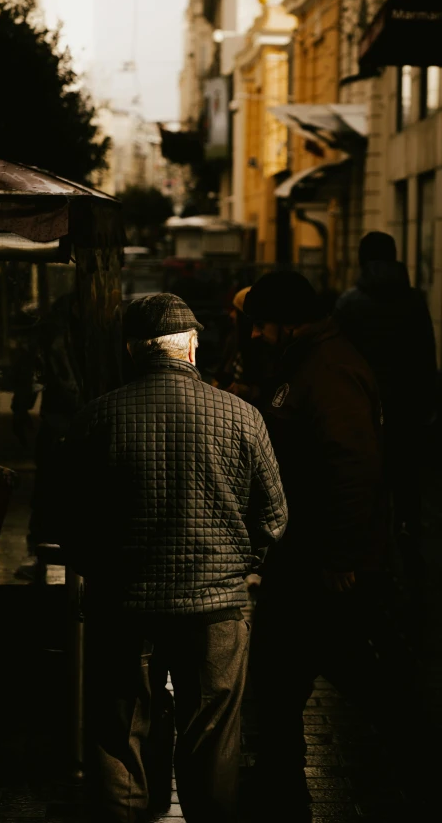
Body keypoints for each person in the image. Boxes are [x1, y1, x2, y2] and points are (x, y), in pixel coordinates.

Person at [60, 292, 287, 823]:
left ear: (134, 350)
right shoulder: (243, 417)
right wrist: (240, 564)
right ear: (191, 348)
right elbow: (273, 517)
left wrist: (104, 569)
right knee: (213, 735)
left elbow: (68, 521)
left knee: (121, 735)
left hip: (124, 606)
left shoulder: (97, 418)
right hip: (217, 607)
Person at [242, 270, 425, 818]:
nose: (253, 335)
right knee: (291, 679)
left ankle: (413, 766)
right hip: (307, 557)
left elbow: (354, 468)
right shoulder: (308, 361)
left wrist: (342, 556)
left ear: (288, 322)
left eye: (260, 325)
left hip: (323, 563)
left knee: (335, 676)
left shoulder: (330, 368)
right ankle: (281, 786)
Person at [335, 232, 438, 551]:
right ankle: (407, 529)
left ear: (362, 259)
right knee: (407, 471)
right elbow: (425, 354)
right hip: (407, 404)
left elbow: (338, 358)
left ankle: (371, 541)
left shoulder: (349, 303)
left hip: (363, 405)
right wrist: (429, 402)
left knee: (367, 473)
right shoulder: (415, 301)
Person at [11, 290, 85, 581]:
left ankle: (42, 552)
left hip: (62, 420)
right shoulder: (69, 332)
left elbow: (33, 374)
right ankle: (44, 552)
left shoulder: (56, 331)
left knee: (49, 490)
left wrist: (21, 410)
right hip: (65, 420)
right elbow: (35, 373)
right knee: (52, 489)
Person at [212, 286, 262, 404]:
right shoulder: (234, 337)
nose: (232, 315)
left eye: (236, 311)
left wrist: (245, 390)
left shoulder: (258, 346)